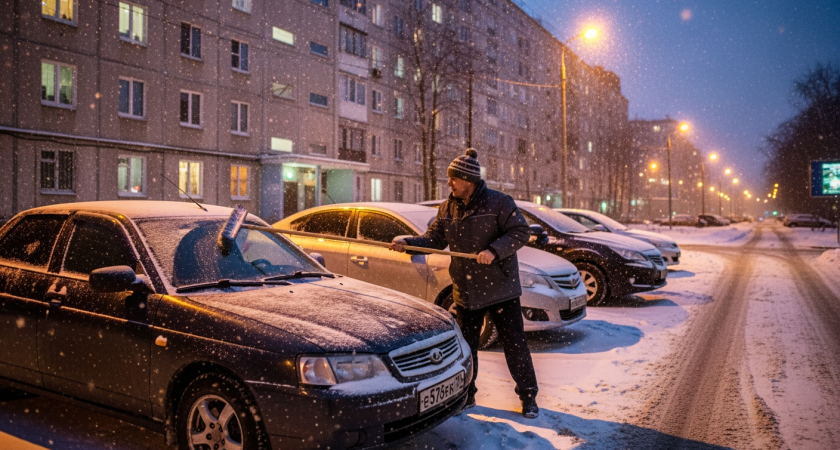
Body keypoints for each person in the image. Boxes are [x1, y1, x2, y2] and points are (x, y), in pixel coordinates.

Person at [389, 148, 540, 418]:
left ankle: (528, 396)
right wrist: (409, 243)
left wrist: (494, 251)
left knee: (514, 345)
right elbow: (435, 239)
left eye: (453, 179)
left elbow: (520, 232)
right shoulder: (447, 208)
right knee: (467, 349)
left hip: (501, 289)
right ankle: (468, 394)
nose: (449, 183)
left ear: (468, 180)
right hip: (467, 291)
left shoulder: (499, 202)